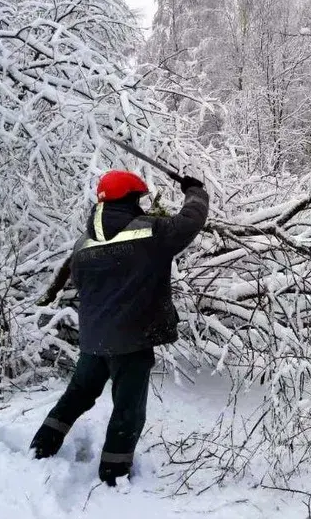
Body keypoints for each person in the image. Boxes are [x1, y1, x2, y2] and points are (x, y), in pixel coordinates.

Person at [29, 170, 209, 486]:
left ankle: (41, 446)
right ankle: (114, 474)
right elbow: (191, 221)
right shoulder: (150, 231)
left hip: (93, 340)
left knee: (77, 395)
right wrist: (194, 190)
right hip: (132, 342)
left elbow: (82, 285)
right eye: (138, 198)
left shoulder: (82, 244)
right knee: (128, 410)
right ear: (129, 200)